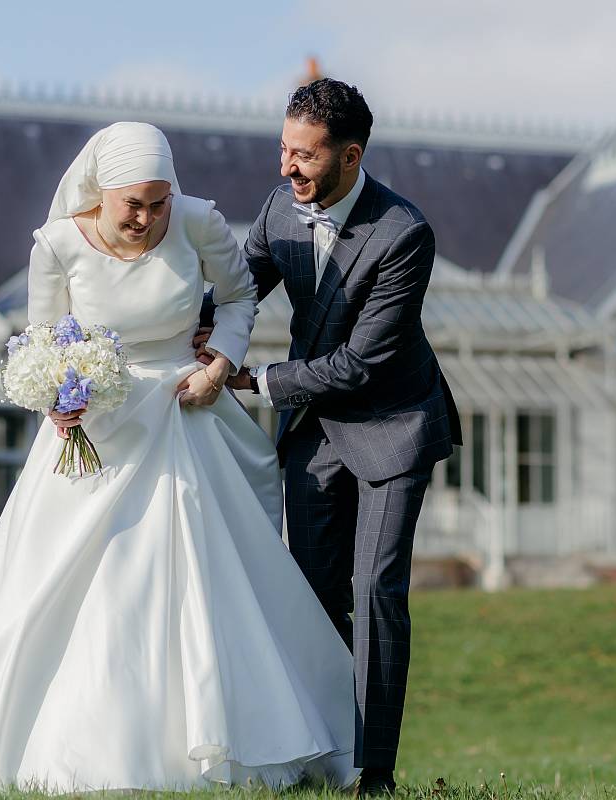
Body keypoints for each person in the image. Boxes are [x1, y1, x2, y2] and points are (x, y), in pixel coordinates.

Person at [0, 122, 358, 793]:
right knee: (80, 583)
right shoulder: (57, 245)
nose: (147, 218)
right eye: (132, 205)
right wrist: (56, 400)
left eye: (158, 203)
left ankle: (234, 736)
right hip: (95, 432)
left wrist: (218, 365)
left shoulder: (197, 223)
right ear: (100, 192)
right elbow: (42, 340)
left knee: (205, 575)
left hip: (184, 413)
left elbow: (238, 298)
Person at [200, 78, 462, 795]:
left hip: (392, 426)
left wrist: (252, 380)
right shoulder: (278, 206)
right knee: (312, 594)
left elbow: (360, 365)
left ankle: (375, 771)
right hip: (315, 430)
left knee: (375, 590)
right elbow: (238, 293)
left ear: (351, 156)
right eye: (283, 149)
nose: (288, 168)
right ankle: (326, 750)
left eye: (305, 156)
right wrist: (172, 331)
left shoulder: (404, 233)